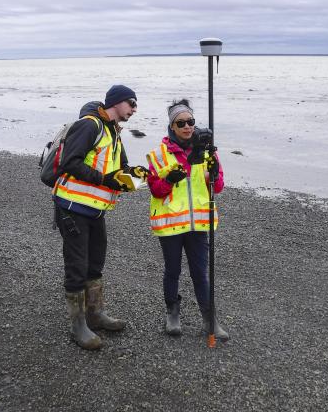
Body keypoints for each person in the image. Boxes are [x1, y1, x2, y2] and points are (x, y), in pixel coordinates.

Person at [52, 84, 149, 350]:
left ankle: (95, 314)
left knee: (95, 263)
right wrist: (106, 180)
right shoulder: (90, 126)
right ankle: (78, 326)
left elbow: (121, 170)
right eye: (131, 103)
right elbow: (70, 162)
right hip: (73, 207)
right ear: (116, 102)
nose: (134, 109)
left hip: (95, 210)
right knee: (77, 266)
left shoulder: (114, 132)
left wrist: (140, 176)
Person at [145, 99, 229, 341]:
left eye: (190, 121)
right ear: (171, 126)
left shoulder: (207, 151)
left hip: (198, 224)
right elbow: (156, 191)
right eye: (180, 122)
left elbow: (219, 186)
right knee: (172, 270)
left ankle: (209, 319)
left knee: (200, 272)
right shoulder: (159, 155)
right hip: (170, 224)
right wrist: (170, 179)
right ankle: (172, 314)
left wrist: (212, 173)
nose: (187, 126)